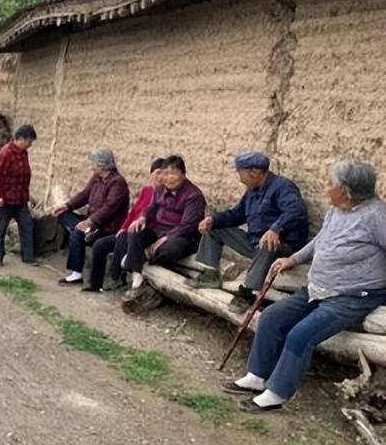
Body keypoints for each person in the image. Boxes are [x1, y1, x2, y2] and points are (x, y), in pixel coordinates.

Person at [225, 161, 386, 412]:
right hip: (317, 287)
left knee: (301, 335)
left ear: (347, 191)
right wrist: (292, 259)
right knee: (270, 317)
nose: (325, 188)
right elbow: (320, 241)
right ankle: (257, 377)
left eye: (330, 184)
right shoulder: (337, 209)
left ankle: (277, 394)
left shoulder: (377, 217)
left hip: (353, 296)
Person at [190, 152, 309, 313]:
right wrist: (214, 220)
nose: (239, 177)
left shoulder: (282, 187)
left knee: (267, 244)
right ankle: (211, 274)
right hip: (254, 242)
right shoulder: (252, 191)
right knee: (215, 229)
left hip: (282, 247)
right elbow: (237, 214)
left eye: (240, 172)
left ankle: (248, 292)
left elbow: (297, 210)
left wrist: (276, 228)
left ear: (254, 172)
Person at [119, 155, 206, 303]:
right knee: (135, 230)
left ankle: (139, 258)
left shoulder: (194, 195)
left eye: (174, 173)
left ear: (183, 175)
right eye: (165, 173)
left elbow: (188, 226)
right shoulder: (159, 190)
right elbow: (150, 209)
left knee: (170, 248)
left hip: (183, 237)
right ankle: (137, 278)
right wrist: (142, 218)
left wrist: (163, 240)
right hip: (159, 230)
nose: (169, 178)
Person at [87, 157, 167, 293]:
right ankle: (95, 284)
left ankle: (116, 277)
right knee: (100, 245)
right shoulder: (146, 191)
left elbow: (156, 218)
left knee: (123, 238)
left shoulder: (164, 195)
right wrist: (123, 227)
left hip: (145, 233)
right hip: (130, 230)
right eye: (157, 173)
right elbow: (133, 212)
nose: (160, 177)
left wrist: (128, 230)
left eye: (163, 173)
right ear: (151, 174)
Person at [52, 149, 129, 286]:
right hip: (93, 222)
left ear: (102, 165)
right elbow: (84, 195)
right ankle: (88, 232)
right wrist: (66, 206)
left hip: (107, 226)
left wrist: (90, 222)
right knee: (62, 215)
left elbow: (109, 209)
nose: (91, 166)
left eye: (93, 163)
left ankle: (76, 274)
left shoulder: (118, 183)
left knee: (77, 233)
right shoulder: (96, 178)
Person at [0, 124, 38, 267]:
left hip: (20, 200)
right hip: (5, 200)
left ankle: (28, 257)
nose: (30, 145)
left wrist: (28, 195)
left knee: (27, 225)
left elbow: (23, 176)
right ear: (21, 139)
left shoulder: (23, 153)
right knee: (0, 229)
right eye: (29, 141)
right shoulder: (6, 153)